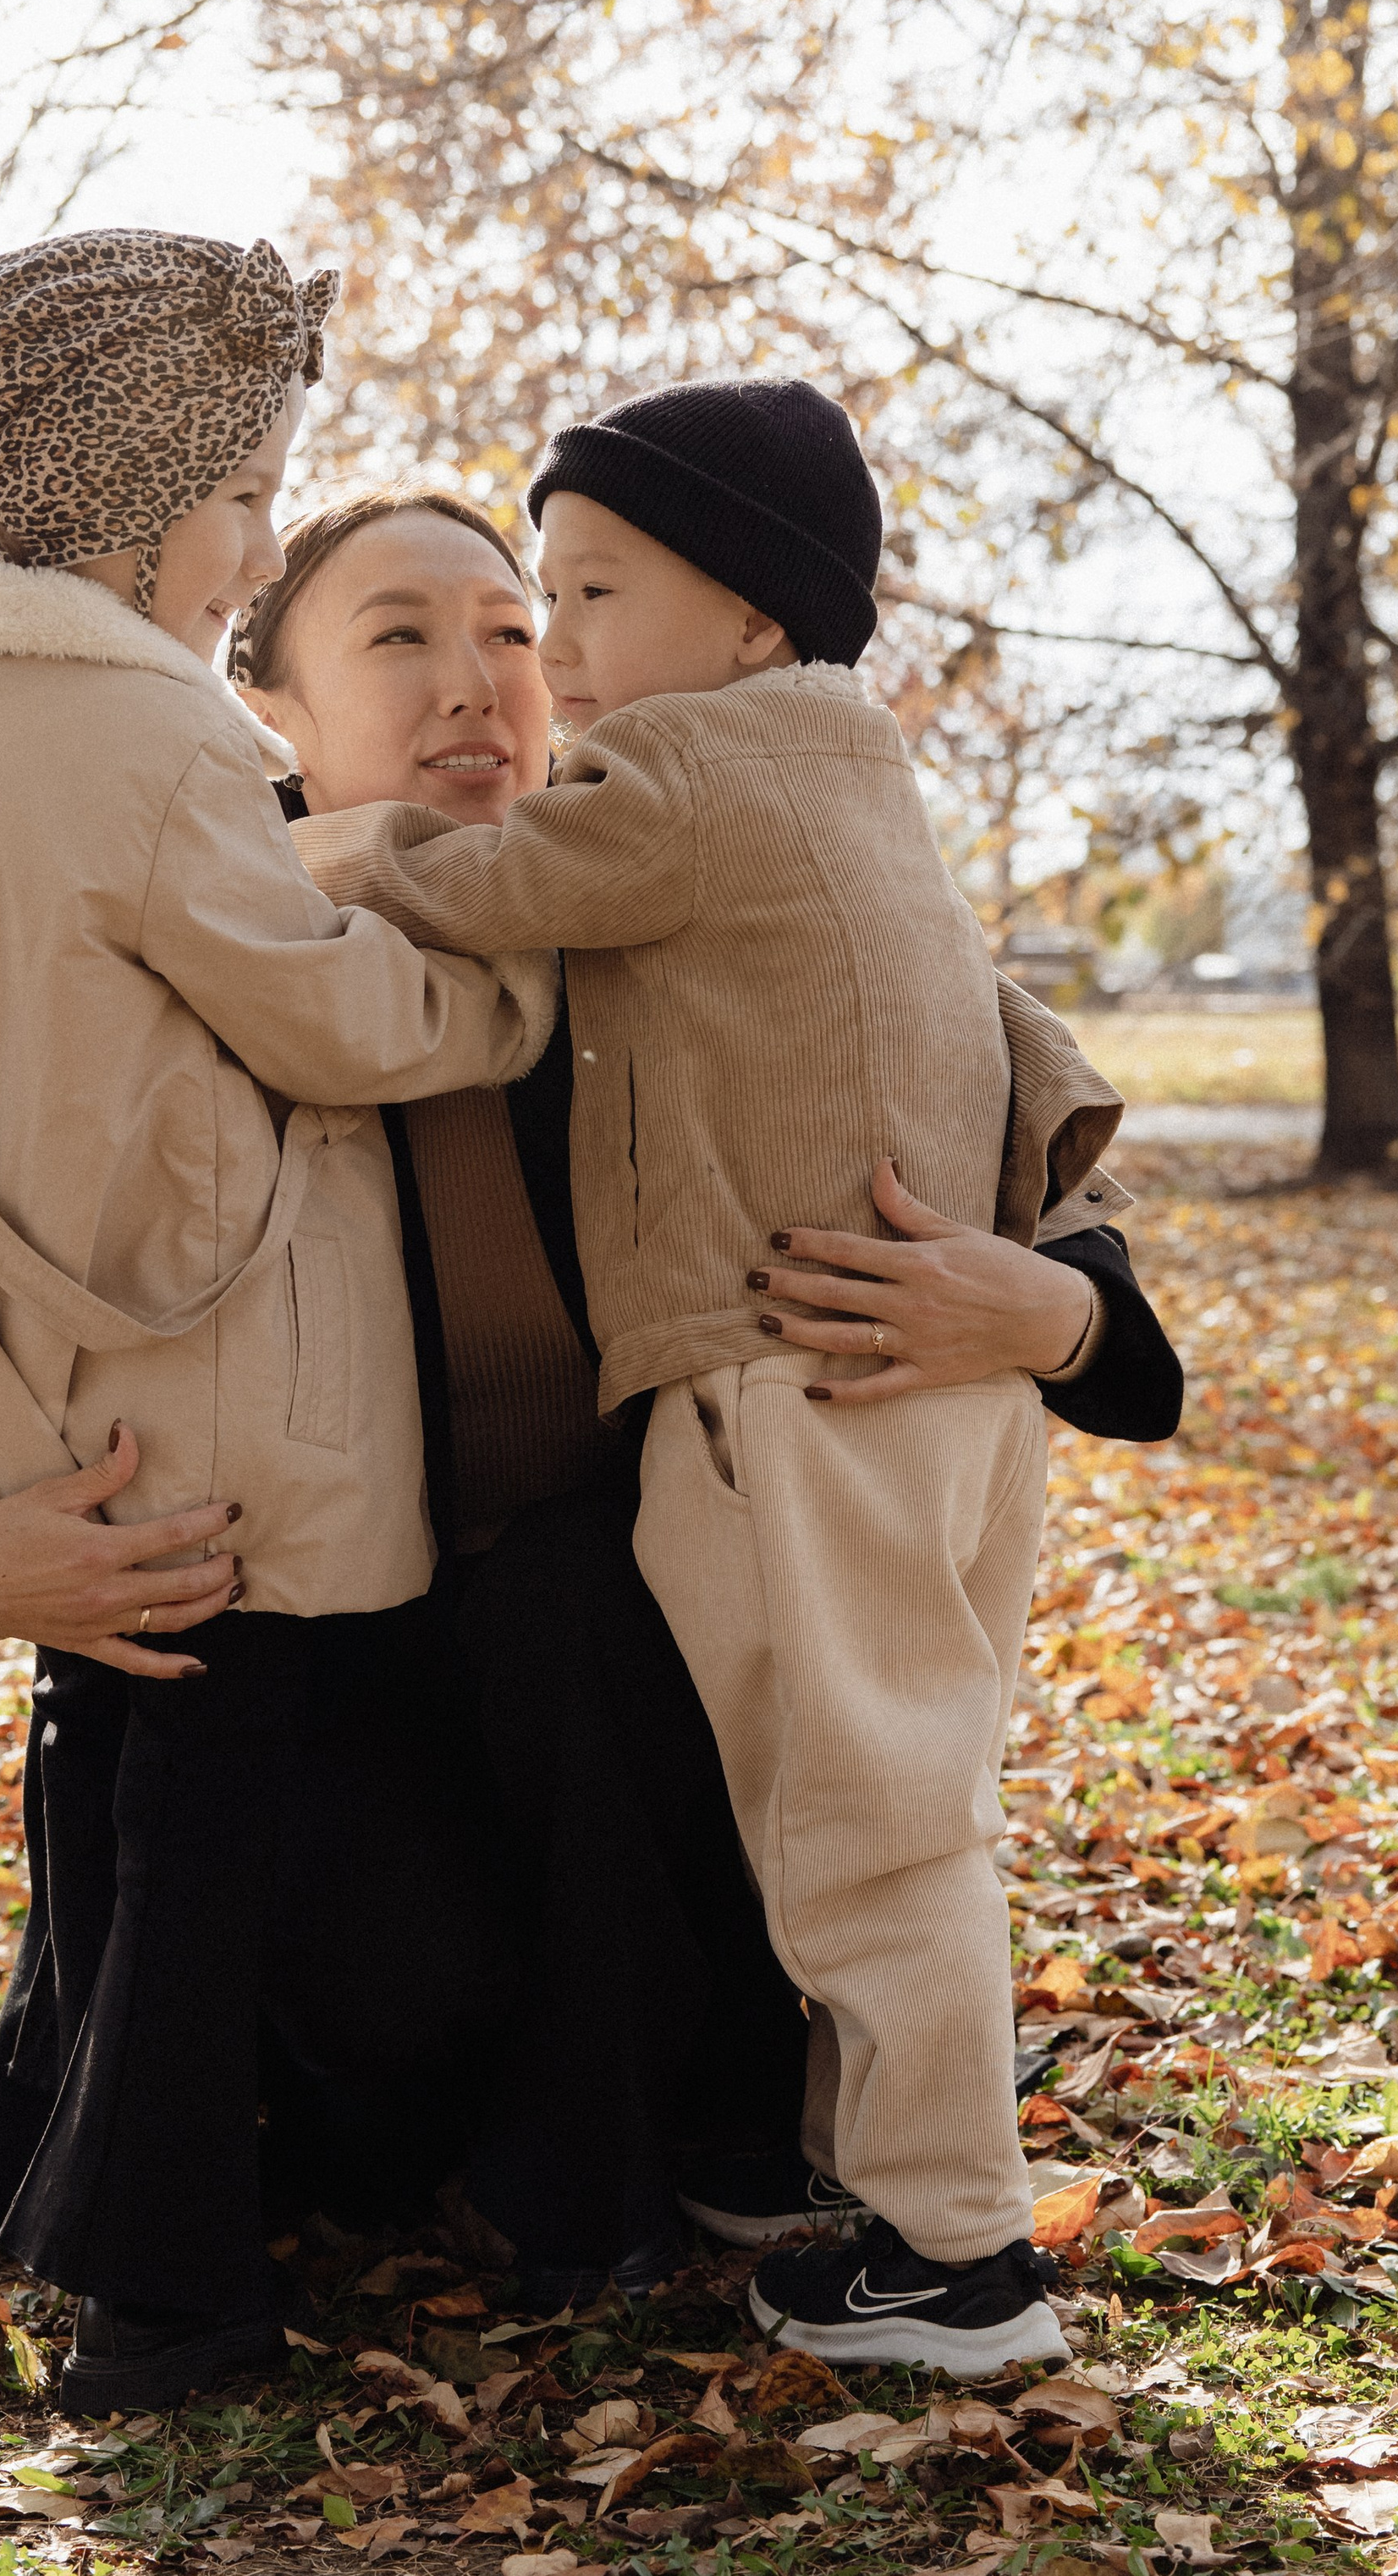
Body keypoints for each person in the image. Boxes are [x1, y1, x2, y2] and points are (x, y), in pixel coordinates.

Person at [0, 474, 1184, 2368]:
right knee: (255, 1698)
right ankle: (266, 2145)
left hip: (637, 1733)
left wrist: (1056, 1307)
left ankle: (712, 2128)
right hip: (321, 1727)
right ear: (262, 703)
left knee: (585, 1603)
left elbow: (1027, 1160)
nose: (477, 683)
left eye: (517, 632)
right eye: (399, 637)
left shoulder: (713, 889)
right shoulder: (168, 927)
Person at [0, 230, 563, 2417]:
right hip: (229, 1406)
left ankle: (52, 2186)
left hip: (41, 1393)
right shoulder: (161, 756)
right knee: (198, 1850)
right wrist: (482, 973)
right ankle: (168, 2300)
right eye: (255, 498)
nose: (254, 547)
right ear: (169, 507)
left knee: (106, 1817)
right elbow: (337, 1019)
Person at [294, 375, 1140, 2375]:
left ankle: (957, 2255)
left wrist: (302, 854)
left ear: (753, 617)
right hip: (914, 1400)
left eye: (579, 599)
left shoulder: (683, 778)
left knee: (865, 1819)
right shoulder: (852, 774)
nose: (548, 650)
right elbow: (1034, 1059)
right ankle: (855, 2178)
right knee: (905, 1786)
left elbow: (475, 884)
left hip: (792, 1377)